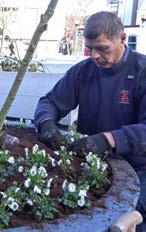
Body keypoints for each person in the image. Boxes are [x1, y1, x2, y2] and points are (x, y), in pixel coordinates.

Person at [34, 11, 146, 231]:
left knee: (121, 219)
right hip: (93, 162)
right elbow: (50, 102)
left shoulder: (141, 71)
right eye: (90, 48)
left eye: (102, 48)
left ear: (122, 39)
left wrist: (110, 139)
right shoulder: (84, 71)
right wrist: (46, 123)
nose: (94, 55)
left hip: (139, 168)